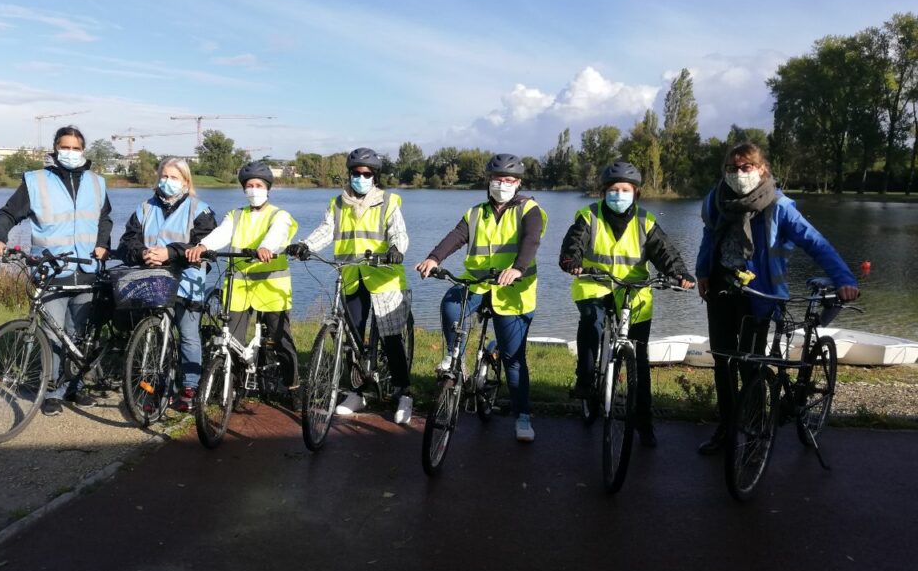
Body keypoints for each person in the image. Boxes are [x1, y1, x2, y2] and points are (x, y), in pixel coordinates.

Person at [695, 142, 860, 454]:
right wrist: (702, 272)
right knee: (722, 361)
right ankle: (727, 429)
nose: (739, 174)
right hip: (720, 288)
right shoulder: (716, 200)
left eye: (746, 168)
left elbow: (815, 242)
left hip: (759, 293)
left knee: (750, 363)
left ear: (762, 170)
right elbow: (709, 238)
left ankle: (756, 429)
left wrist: (844, 279)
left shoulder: (778, 206)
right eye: (732, 168)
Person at [559, 161, 694, 448]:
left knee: (639, 362)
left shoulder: (646, 222)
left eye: (624, 190)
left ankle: (644, 424)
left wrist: (679, 274)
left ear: (636, 193)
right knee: (591, 324)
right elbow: (574, 245)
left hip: (634, 292)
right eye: (613, 190)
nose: (618, 195)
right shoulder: (588, 216)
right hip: (594, 284)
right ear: (603, 192)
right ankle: (585, 380)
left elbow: (665, 253)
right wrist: (572, 261)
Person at [416, 153, 546, 442]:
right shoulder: (476, 212)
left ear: (518, 183)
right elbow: (456, 235)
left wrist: (517, 268)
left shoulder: (530, 210)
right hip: (478, 284)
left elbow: (531, 240)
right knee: (450, 302)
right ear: (489, 181)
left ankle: (522, 415)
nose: (502, 184)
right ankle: (455, 357)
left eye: (508, 180)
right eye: (497, 179)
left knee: (513, 359)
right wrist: (433, 258)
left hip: (513, 290)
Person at [0, 125, 112, 416]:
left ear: (83, 150)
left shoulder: (97, 182)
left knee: (77, 334)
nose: (70, 152)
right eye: (64, 147)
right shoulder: (36, 181)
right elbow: (8, 213)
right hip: (52, 270)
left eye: (75, 147)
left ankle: (76, 386)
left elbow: (104, 219)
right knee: (53, 337)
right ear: (55, 149)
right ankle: (53, 391)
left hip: (88, 270)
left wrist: (103, 244)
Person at [285, 148, 414, 424]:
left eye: (366, 174)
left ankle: (404, 392)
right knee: (348, 341)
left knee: (391, 337)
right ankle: (357, 392)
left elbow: (399, 232)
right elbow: (326, 230)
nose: (361, 177)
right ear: (350, 174)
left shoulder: (388, 202)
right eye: (356, 173)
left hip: (384, 276)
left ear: (374, 176)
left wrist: (395, 249)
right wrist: (304, 245)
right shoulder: (337, 203)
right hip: (350, 275)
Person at [186, 161, 299, 403]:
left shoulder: (280, 215)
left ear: (267, 188)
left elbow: (278, 233)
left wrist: (267, 247)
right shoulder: (235, 215)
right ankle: (232, 386)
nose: (254, 190)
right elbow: (222, 233)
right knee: (232, 340)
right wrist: (204, 246)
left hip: (271, 288)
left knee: (281, 339)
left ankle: (292, 386)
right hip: (238, 286)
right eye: (249, 186)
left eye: (258, 185)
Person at [117, 158, 217, 412]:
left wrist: (170, 253)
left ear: (185, 181)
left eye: (174, 177)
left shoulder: (200, 210)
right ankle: (155, 385)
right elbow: (128, 239)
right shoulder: (145, 208)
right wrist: (142, 253)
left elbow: (204, 243)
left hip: (187, 282)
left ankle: (190, 387)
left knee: (187, 335)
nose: (167, 182)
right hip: (153, 280)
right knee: (154, 334)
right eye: (164, 176)